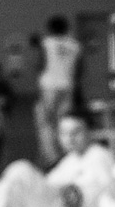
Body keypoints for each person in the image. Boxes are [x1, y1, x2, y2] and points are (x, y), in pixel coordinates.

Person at [35, 15, 82, 166]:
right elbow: (80, 69)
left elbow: (40, 65)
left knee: (46, 122)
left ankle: (51, 157)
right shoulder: (75, 45)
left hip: (49, 86)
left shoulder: (46, 43)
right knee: (64, 122)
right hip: (67, 86)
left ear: (50, 28)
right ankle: (66, 153)